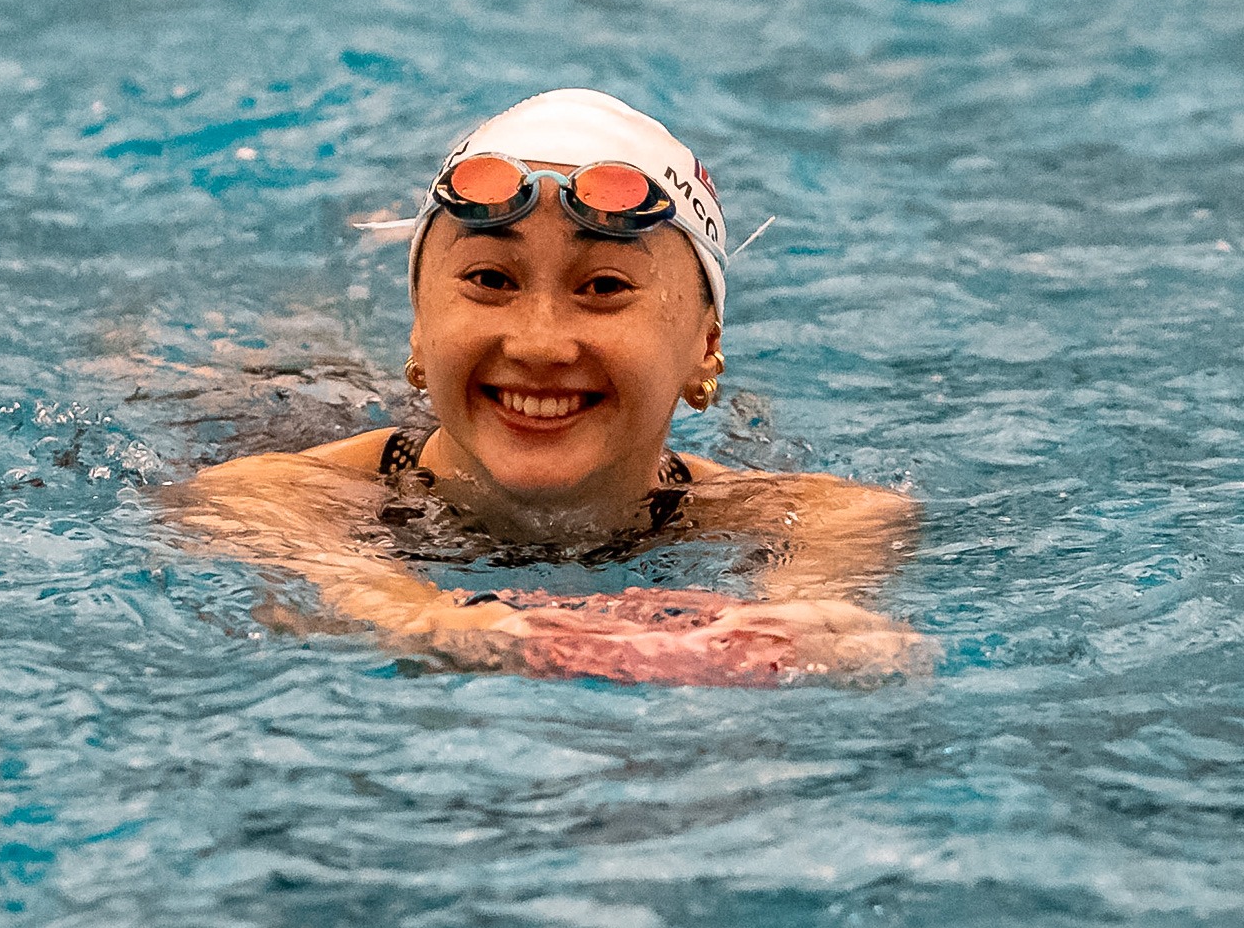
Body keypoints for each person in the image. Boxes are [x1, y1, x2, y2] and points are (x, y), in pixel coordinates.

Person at [164, 89, 930, 685]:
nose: (538, 344)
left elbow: (829, 599)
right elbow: (344, 589)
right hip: (269, 409)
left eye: (602, 286)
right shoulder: (277, 492)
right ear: (419, 330)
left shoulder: (805, 517)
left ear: (706, 345)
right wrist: (442, 624)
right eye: (489, 279)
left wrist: (808, 629)